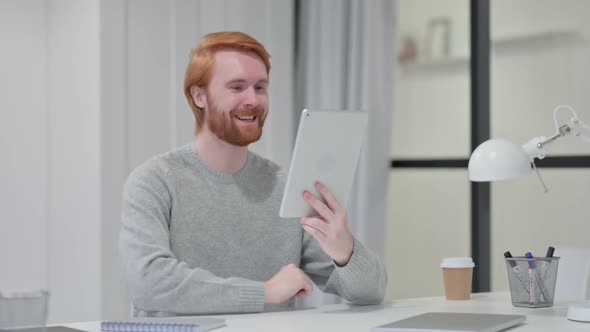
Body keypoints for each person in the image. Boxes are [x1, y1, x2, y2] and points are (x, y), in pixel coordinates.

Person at [119, 31, 387, 317]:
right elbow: (148, 283)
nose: (253, 100)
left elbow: (371, 292)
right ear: (199, 96)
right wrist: (265, 292)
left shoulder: (286, 187)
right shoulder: (154, 181)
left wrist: (345, 252)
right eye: (237, 87)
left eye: (260, 87)